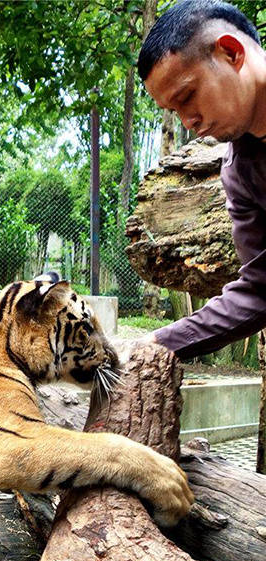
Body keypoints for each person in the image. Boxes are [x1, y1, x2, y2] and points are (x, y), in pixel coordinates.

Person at [139, 0, 266, 358]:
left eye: (186, 96)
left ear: (231, 52)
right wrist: (157, 345)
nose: (187, 122)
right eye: (173, 110)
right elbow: (259, 290)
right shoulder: (241, 174)